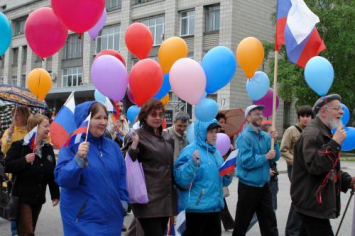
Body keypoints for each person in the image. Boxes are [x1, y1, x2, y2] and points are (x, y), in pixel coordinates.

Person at [54, 101, 129, 235]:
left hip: (112, 219)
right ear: (85, 120)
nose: (104, 122)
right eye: (98, 118)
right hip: (82, 221)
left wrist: (123, 202)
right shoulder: (71, 145)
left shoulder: (113, 147)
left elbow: (122, 176)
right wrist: (78, 160)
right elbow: (63, 179)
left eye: (105, 118)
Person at [291, 94, 355, 235]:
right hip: (312, 203)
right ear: (324, 112)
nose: (342, 111)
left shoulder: (323, 132)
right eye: (337, 108)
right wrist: (334, 144)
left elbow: (329, 167)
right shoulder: (312, 133)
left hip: (311, 203)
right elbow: (315, 166)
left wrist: (348, 180)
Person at [122, 99, 177, 236]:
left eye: (161, 114)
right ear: (144, 116)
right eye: (153, 114)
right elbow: (126, 162)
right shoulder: (137, 135)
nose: (158, 118)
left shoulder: (167, 137)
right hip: (147, 200)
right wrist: (133, 148)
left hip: (166, 198)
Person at [174, 119, 234, 236]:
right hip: (196, 211)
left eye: (215, 131)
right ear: (201, 132)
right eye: (210, 131)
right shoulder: (190, 151)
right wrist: (192, 164)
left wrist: (228, 175)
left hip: (214, 209)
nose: (214, 135)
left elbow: (222, 181)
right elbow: (180, 179)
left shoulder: (215, 152)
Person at [5, 114, 60, 236]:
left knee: (30, 230)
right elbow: (7, 166)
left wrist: (55, 194)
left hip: (38, 198)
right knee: (27, 232)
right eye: (45, 126)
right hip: (22, 198)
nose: (48, 129)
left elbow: (51, 173)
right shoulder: (20, 146)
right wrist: (24, 160)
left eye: (48, 126)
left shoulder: (48, 149)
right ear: (35, 127)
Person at [232, 105, 280, 236]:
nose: (260, 116)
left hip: (264, 186)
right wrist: (265, 157)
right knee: (242, 222)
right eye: (256, 114)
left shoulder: (265, 136)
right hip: (248, 187)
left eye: (261, 113)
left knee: (269, 221)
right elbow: (246, 162)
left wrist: (274, 141)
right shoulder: (244, 138)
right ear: (248, 118)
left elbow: (275, 156)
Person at [281, 105, 313, 236]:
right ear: (299, 117)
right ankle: (292, 230)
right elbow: (283, 149)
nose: (305, 119)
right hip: (294, 168)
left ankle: (301, 230)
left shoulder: (313, 131)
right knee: (299, 197)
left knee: (305, 198)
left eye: (307, 116)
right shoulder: (291, 130)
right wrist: (295, 162)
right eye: (302, 116)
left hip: (309, 170)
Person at [1, 106, 31, 236]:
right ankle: (15, 232)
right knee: (15, 203)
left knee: (26, 204)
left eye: (18, 114)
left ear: (25, 116)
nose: (15, 117)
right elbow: (4, 150)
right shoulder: (9, 131)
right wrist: (8, 136)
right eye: (14, 115)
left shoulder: (31, 131)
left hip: (27, 171)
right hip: (13, 172)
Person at [247, 121, 279, 232]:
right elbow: (249, 161)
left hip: (272, 181)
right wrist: (265, 169)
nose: (272, 134)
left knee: (271, 209)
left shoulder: (272, 142)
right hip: (261, 181)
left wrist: (275, 142)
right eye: (270, 132)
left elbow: (276, 157)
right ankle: (243, 228)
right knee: (260, 212)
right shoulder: (255, 142)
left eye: (273, 132)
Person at [216, 112, 235, 231]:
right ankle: (229, 223)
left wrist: (231, 147)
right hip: (214, 167)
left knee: (220, 196)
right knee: (219, 197)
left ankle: (229, 223)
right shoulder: (210, 135)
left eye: (224, 123)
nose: (223, 125)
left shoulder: (227, 136)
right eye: (221, 122)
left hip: (223, 168)